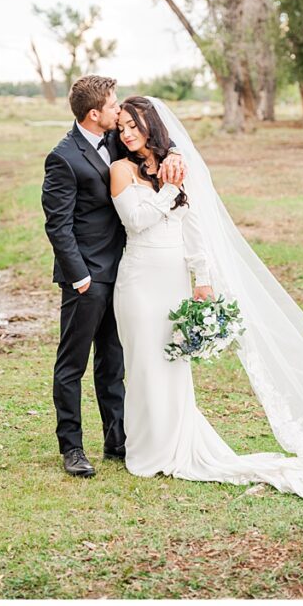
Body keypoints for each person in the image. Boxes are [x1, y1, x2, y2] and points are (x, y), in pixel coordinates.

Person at [108, 96, 303, 504]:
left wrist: (203, 280)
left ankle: (174, 441)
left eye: (133, 124)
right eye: (121, 126)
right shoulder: (120, 169)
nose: (126, 132)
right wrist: (168, 189)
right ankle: (146, 449)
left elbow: (193, 228)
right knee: (143, 364)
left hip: (174, 278)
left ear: (150, 123)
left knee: (173, 365)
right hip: (139, 280)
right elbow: (136, 222)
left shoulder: (176, 164)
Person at [41, 76, 185, 477]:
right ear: (94, 114)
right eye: (113, 105)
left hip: (125, 272)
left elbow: (149, 138)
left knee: (112, 362)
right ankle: (72, 448)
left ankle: (116, 439)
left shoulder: (116, 142)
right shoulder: (63, 157)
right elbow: (58, 226)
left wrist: (173, 152)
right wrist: (79, 277)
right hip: (87, 277)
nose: (119, 111)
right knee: (72, 364)